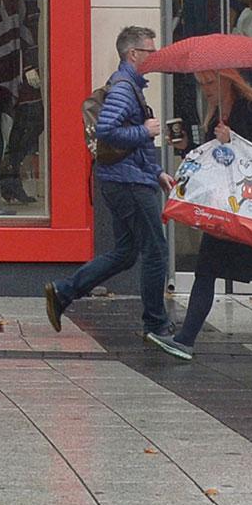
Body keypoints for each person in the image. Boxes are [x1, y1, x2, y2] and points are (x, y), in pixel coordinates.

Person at [148, 69, 252, 364]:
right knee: (206, 270)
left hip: (251, 209)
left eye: (209, 83)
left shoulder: (251, 109)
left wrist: (233, 137)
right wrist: (188, 149)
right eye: (201, 84)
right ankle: (185, 340)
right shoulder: (216, 114)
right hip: (225, 208)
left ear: (227, 82)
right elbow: (216, 158)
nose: (205, 89)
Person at [43, 26, 175, 343]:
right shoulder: (123, 89)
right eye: (149, 52)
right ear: (133, 54)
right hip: (127, 183)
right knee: (156, 251)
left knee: (127, 252)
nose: (153, 57)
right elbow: (106, 131)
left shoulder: (130, 87)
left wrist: (157, 172)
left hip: (127, 179)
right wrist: (145, 131)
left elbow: (133, 143)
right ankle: (156, 324)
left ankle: (63, 292)